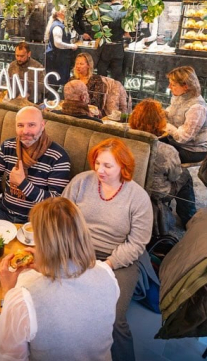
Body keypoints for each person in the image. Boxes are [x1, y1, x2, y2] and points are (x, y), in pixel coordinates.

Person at [0, 106, 71, 352]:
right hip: (4, 214)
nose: (25, 131)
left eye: (31, 125)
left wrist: (23, 183)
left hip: (37, 226)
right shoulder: (8, 147)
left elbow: (54, 206)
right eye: (21, 125)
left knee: (22, 270)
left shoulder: (59, 157)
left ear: (43, 126)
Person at [0, 197, 119, 361]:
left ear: (43, 243)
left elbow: (3, 357)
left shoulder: (24, 301)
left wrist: (7, 293)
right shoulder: (107, 275)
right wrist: (48, 266)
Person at [62, 138, 152, 361]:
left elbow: (137, 243)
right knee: (60, 300)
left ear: (124, 166)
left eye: (107, 166)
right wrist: (73, 251)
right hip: (78, 251)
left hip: (119, 260)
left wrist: (107, 265)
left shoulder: (138, 198)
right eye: (97, 163)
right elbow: (62, 218)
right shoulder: (81, 182)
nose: (99, 170)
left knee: (112, 317)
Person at [130, 99, 197, 227]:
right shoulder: (166, 150)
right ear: (160, 122)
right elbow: (174, 176)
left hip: (131, 186)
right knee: (185, 175)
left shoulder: (125, 140)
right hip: (156, 192)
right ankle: (188, 219)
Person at [164, 66, 207, 163]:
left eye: (173, 85)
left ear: (186, 86)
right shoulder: (180, 96)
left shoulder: (197, 108)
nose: (169, 87)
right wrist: (161, 114)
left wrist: (164, 125)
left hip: (191, 151)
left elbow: (183, 137)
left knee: (156, 154)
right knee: (149, 143)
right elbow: (172, 111)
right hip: (174, 142)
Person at [44, 5, 78, 87]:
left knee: (56, 83)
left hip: (58, 58)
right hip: (57, 60)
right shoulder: (57, 26)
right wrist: (72, 46)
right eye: (65, 12)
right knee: (56, 83)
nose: (67, 14)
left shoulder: (58, 24)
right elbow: (58, 43)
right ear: (59, 13)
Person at [97, 0, 129, 83]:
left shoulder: (104, 10)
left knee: (102, 75)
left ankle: (102, 94)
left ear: (111, 0)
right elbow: (127, 33)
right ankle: (116, 94)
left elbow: (98, 29)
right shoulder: (126, 10)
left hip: (105, 47)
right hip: (118, 47)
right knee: (117, 77)